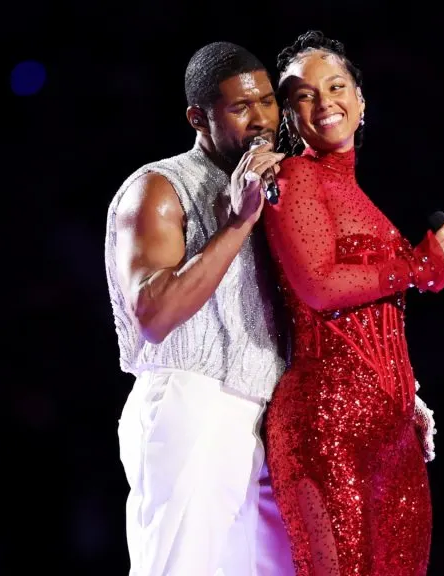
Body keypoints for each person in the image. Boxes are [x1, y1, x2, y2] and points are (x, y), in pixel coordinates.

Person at [261, 30, 444, 575]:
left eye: (335, 86)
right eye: (303, 95)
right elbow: (319, 287)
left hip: (393, 433)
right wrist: (421, 266)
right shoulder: (294, 177)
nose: (324, 101)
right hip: (326, 427)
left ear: (360, 100)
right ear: (289, 115)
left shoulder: (359, 195)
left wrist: (407, 401)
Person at [104, 41, 295, 576]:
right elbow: (155, 314)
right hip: (194, 400)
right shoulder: (160, 188)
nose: (260, 120)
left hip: (264, 411)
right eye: (240, 108)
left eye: (266, 103)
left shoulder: (274, 184)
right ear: (198, 117)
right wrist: (237, 223)